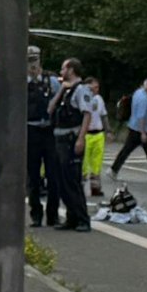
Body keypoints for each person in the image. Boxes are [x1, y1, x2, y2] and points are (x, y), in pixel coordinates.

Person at [50, 58, 95, 231]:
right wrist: (61, 90)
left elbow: (87, 114)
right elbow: (50, 109)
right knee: (62, 181)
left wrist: (81, 139)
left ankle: (83, 219)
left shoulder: (81, 90)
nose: (61, 73)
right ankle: (71, 218)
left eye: (63, 69)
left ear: (71, 69)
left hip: (71, 139)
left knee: (72, 181)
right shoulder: (66, 91)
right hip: (60, 139)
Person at [25, 48, 62, 226]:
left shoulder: (51, 81)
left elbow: (59, 104)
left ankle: (53, 215)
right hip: (30, 131)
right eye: (29, 61)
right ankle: (36, 215)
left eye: (35, 60)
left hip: (49, 131)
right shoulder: (20, 83)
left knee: (53, 175)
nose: (32, 65)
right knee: (32, 177)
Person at [110, 77, 147, 182]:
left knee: (127, 150)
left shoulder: (139, 93)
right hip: (142, 130)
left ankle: (113, 170)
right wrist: (143, 133)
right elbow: (141, 115)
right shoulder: (143, 99)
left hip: (135, 128)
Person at [82, 76, 109, 198]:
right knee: (84, 163)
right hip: (86, 134)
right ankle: (81, 187)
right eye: (94, 87)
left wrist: (108, 130)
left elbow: (104, 115)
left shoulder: (99, 99)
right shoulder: (83, 99)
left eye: (97, 87)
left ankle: (95, 187)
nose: (96, 89)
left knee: (96, 163)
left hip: (98, 133)